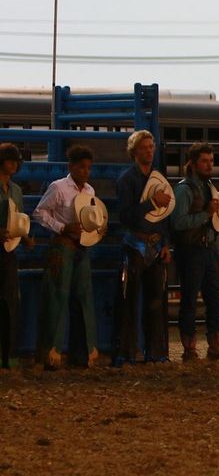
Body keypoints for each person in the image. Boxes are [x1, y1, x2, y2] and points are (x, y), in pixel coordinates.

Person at [33, 144, 103, 369]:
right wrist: (62, 228)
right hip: (62, 246)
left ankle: (78, 353)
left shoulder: (89, 191)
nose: (86, 172)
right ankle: (52, 354)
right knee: (58, 298)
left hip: (80, 247)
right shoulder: (59, 187)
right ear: (71, 166)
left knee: (81, 298)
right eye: (82, 167)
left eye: (88, 168)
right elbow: (40, 212)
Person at [113, 130, 172, 365]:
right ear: (135, 151)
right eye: (145, 147)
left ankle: (155, 352)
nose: (149, 150)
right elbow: (126, 216)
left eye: (151, 146)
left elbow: (165, 215)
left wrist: (166, 243)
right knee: (130, 301)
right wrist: (151, 202)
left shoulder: (158, 177)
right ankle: (127, 353)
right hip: (134, 244)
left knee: (156, 301)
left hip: (155, 244)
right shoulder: (126, 179)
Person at [171, 142, 219, 361]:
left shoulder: (208, 188)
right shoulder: (184, 189)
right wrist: (205, 213)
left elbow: (217, 226)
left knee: (215, 299)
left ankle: (215, 347)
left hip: (207, 250)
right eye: (205, 161)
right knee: (189, 301)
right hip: (190, 251)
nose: (209, 165)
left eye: (211, 161)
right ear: (193, 164)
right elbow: (178, 222)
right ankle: (189, 349)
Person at [0, 144, 33, 369]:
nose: (14, 164)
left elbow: (19, 221)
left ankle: (8, 354)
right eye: (10, 160)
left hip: (9, 249)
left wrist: (26, 237)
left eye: (15, 160)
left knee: (10, 302)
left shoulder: (16, 191)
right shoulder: (15, 191)